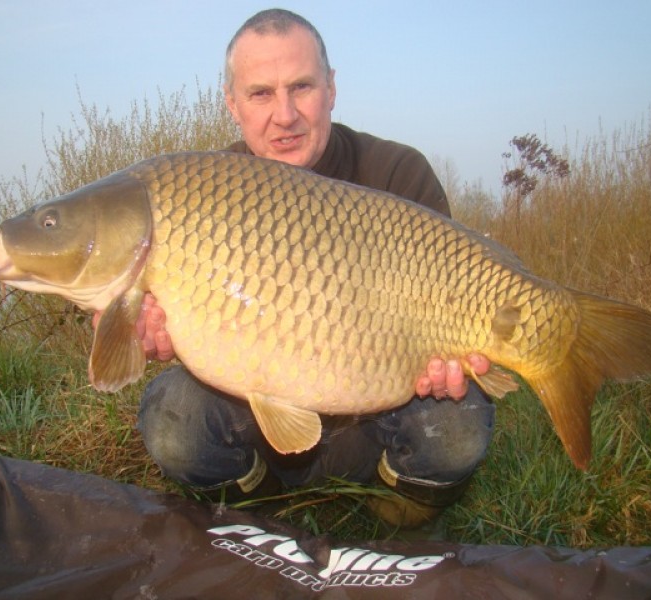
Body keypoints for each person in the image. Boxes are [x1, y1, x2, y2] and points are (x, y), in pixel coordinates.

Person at [134, 8, 494, 528]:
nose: (285, 114)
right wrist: (152, 334)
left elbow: (454, 305)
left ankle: (390, 514)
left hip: (380, 416)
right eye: (260, 94)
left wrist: (446, 362)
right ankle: (263, 511)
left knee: (459, 424)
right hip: (260, 420)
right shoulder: (204, 196)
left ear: (331, 88)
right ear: (232, 104)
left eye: (301, 86)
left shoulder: (397, 172)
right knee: (175, 421)